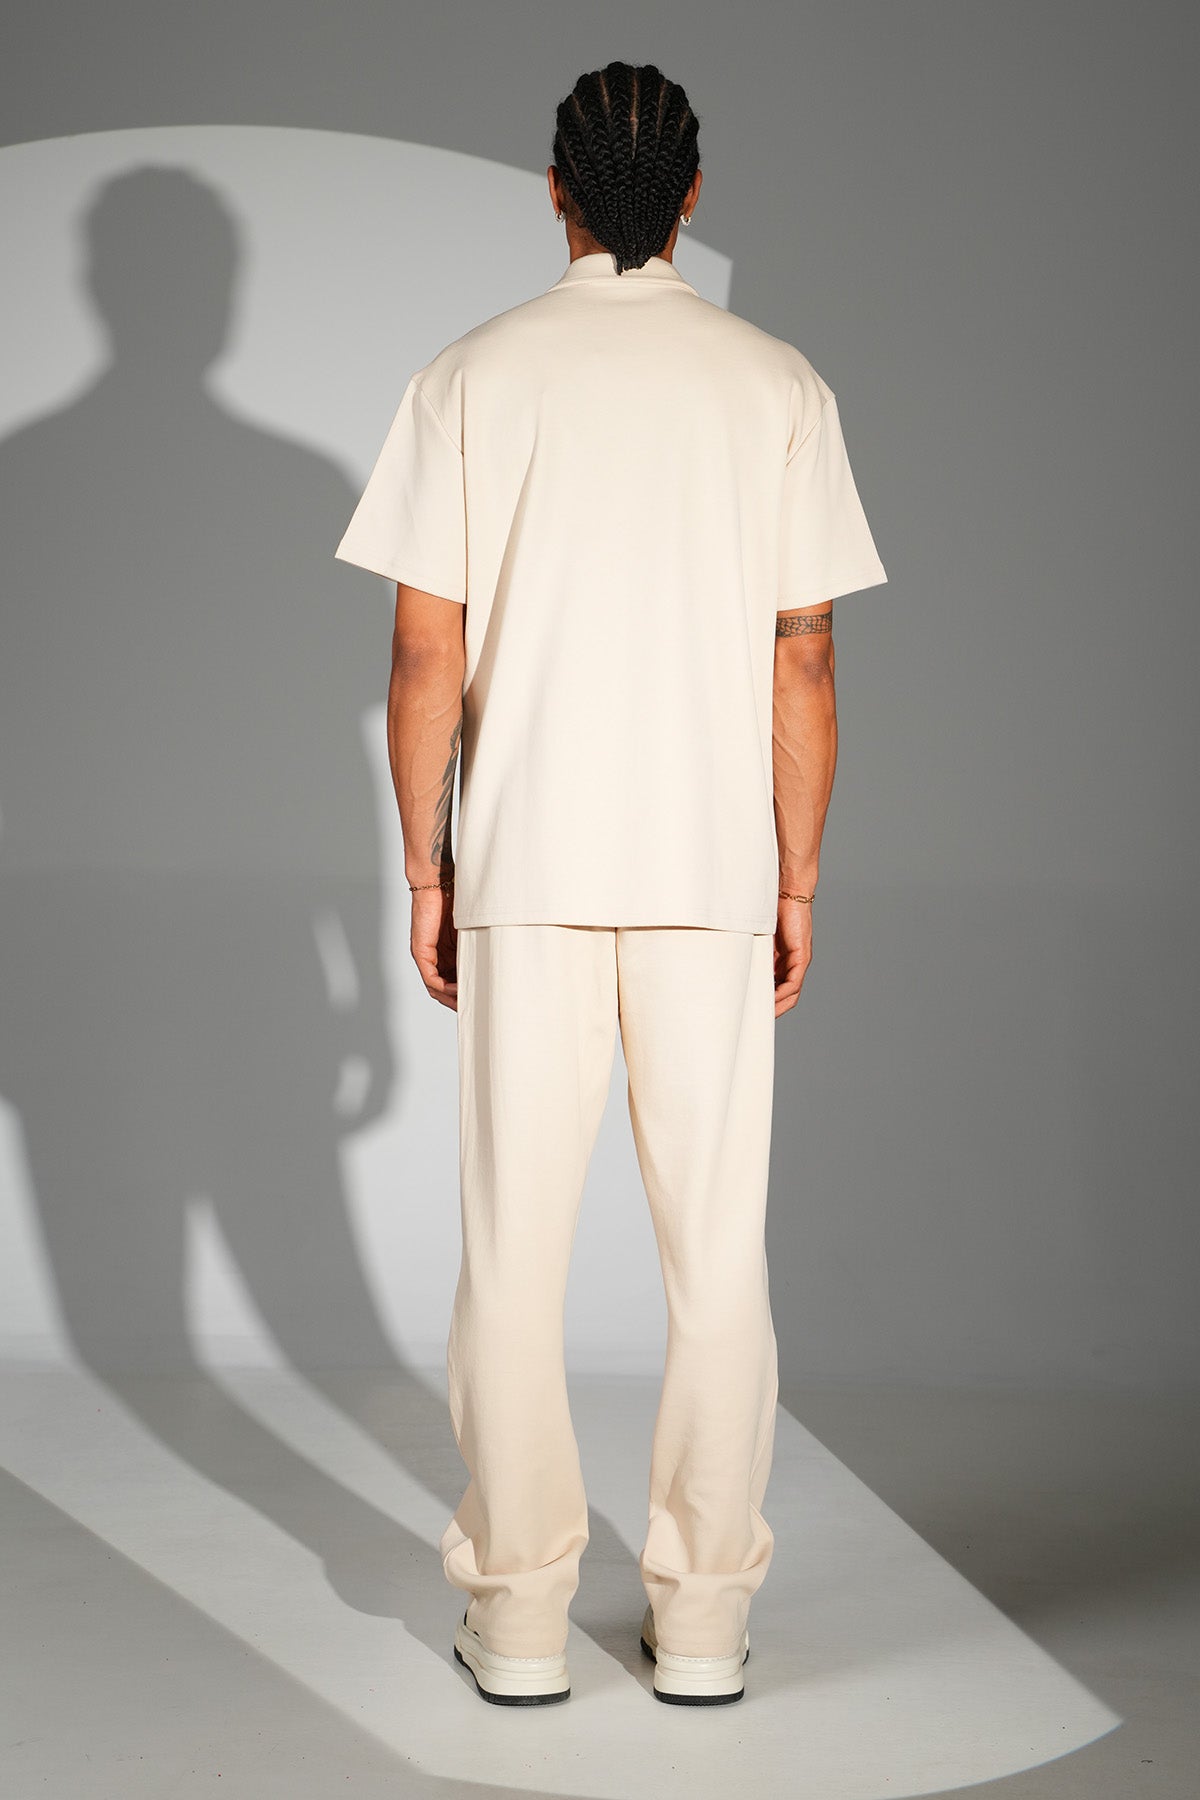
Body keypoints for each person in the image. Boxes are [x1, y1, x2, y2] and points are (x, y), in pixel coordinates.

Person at [333, 59, 887, 1708]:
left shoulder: (471, 377)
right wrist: (798, 876)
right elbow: (804, 658)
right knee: (718, 1255)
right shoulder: (776, 384)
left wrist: (425, 862)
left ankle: (516, 1618)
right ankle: (703, 1619)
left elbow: (423, 653)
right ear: (693, 195)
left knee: (513, 1250)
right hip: (712, 871)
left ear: (556, 191)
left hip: (527, 864)